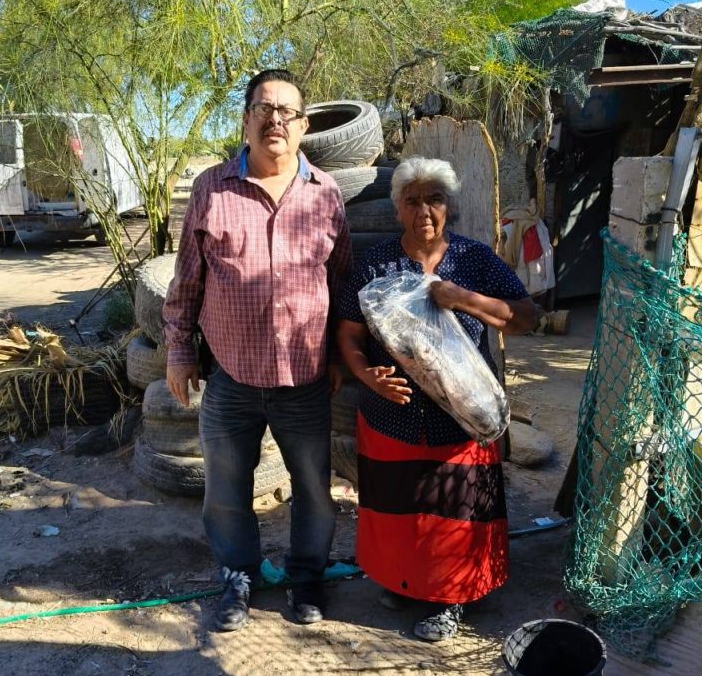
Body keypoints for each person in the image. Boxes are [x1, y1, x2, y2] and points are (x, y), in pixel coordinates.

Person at [163, 69, 352, 631]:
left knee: (313, 489)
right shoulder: (211, 189)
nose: (275, 120)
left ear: (304, 125)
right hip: (231, 377)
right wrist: (178, 351)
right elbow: (187, 278)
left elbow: (340, 283)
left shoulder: (326, 194)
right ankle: (238, 577)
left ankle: (306, 575)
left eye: (287, 111)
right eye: (264, 109)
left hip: (305, 379)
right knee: (226, 492)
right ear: (246, 119)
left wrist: (338, 356)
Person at [337, 156, 538, 641]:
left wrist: (463, 298)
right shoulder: (377, 264)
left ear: (449, 206)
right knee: (397, 508)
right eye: (412, 201)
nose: (424, 210)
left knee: (454, 510)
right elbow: (348, 333)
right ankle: (404, 583)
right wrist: (366, 375)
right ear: (397, 209)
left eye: (435, 199)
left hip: (461, 418)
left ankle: (451, 599)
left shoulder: (473, 260)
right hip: (392, 415)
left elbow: (526, 318)